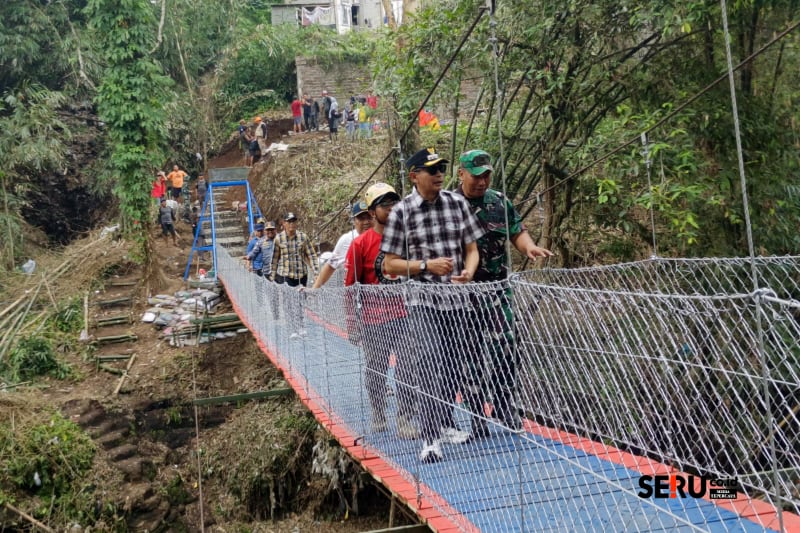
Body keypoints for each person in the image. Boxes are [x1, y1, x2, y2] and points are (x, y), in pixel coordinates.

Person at [380, 148, 486, 463]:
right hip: (423, 301)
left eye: (441, 168)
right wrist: (427, 266)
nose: (439, 174)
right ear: (414, 176)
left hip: (456, 299)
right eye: (431, 170)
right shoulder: (402, 212)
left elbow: (472, 248)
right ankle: (429, 439)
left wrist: (469, 271)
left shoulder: (457, 204)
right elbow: (390, 265)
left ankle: (443, 421)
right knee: (429, 364)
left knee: (454, 367)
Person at [455, 149, 553, 435]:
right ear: (461, 174)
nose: (482, 181)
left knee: (507, 344)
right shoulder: (448, 205)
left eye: (486, 175)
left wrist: (529, 246)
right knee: (469, 352)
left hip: (498, 288)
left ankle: (502, 403)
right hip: (463, 292)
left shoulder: (499, 202)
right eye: (476, 176)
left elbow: (517, 232)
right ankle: (475, 413)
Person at [344, 183, 418, 439]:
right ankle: (378, 410)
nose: (391, 208)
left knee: (409, 366)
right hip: (374, 319)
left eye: (394, 204)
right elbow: (350, 287)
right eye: (385, 205)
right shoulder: (360, 244)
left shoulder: (407, 239)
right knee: (376, 368)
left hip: (405, 314)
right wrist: (352, 324)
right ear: (373, 212)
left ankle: (405, 417)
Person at [270, 212, 320, 339]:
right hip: (286, 275)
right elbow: (275, 258)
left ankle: (301, 326)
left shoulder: (303, 237)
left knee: (299, 301)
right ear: (284, 224)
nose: (292, 224)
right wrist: (272, 276)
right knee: (288, 302)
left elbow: (312, 255)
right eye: (289, 222)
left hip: (301, 274)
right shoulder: (278, 239)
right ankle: (292, 328)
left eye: (294, 221)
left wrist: (316, 271)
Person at [311, 201, 372, 289]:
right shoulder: (347, 239)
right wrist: (314, 289)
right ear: (354, 221)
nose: (366, 222)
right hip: (356, 293)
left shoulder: (382, 236)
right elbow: (331, 264)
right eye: (361, 218)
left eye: (369, 217)